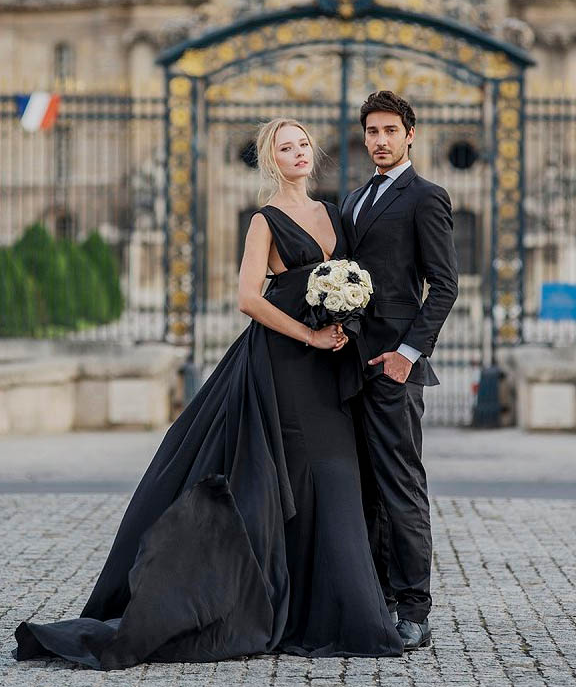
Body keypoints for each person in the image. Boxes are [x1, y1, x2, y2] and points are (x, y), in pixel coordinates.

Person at [13, 117, 403, 670]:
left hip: (330, 366)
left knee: (335, 477)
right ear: (271, 160)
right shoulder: (264, 220)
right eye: (285, 147)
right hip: (285, 362)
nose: (297, 153)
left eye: (302, 144)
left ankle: (342, 613)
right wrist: (309, 334)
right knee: (290, 478)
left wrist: (345, 320)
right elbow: (248, 298)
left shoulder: (335, 213)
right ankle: (282, 608)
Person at [341, 90, 458, 651]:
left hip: (394, 367)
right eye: (373, 131)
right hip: (348, 363)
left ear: (410, 135)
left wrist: (407, 354)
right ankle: (379, 599)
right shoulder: (353, 198)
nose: (381, 140)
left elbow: (445, 285)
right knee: (364, 488)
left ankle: (415, 609)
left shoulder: (426, 197)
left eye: (391, 130)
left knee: (401, 488)